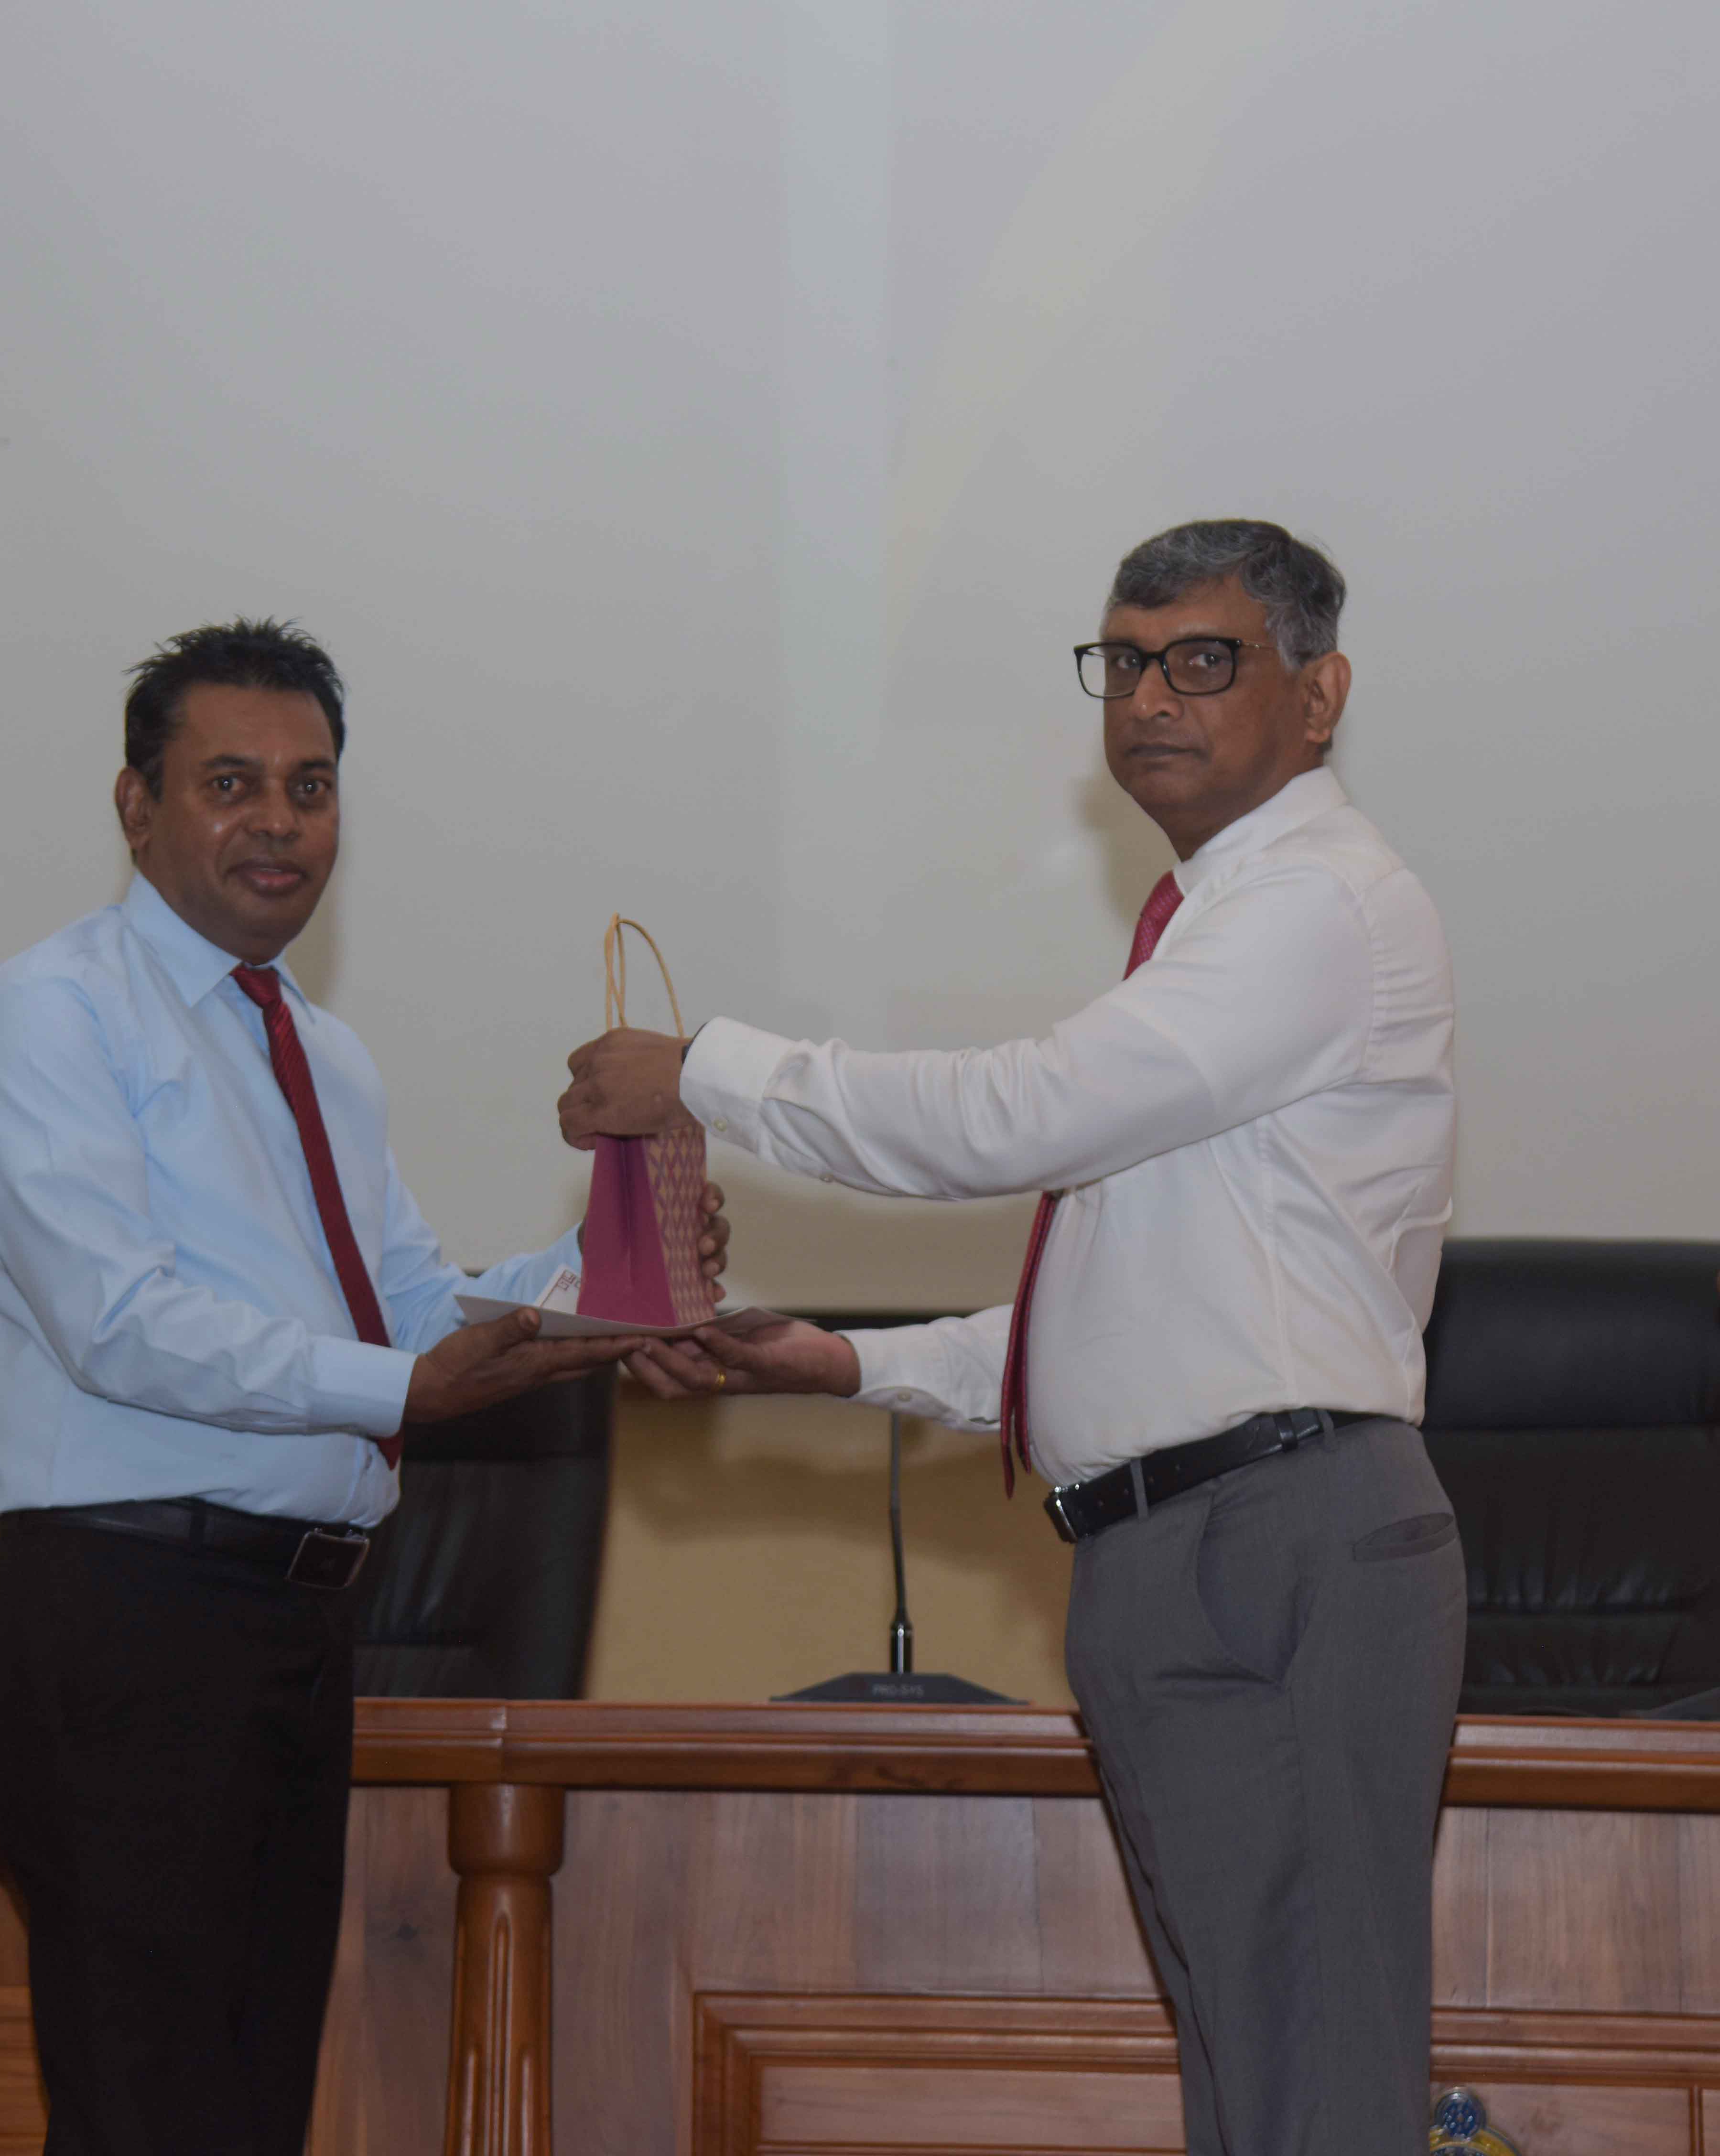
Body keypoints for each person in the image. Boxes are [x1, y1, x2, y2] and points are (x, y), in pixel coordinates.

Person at [557, 522, 1466, 2156]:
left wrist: (707, 1074)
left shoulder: (1317, 908)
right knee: (1256, 2082)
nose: (1150, 699)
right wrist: (846, 1363)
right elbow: (1129, 1313)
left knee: (1313, 2089)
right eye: (1125, 663)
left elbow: (1015, 1119)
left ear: (1320, 695)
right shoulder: (1212, 930)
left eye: (1203, 661)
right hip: (1178, 1540)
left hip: (1279, 1532)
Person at [0, 618, 722, 2156]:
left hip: (294, 1631)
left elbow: (413, 1304)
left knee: (248, 2115)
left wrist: (612, 1266)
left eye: (310, 787)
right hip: (124, 1616)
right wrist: (407, 1387)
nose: (279, 823)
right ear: (136, 806)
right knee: (147, 2115)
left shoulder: (320, 1049)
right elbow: (120, 1323)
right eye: (230, 783)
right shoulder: (55, 1011)